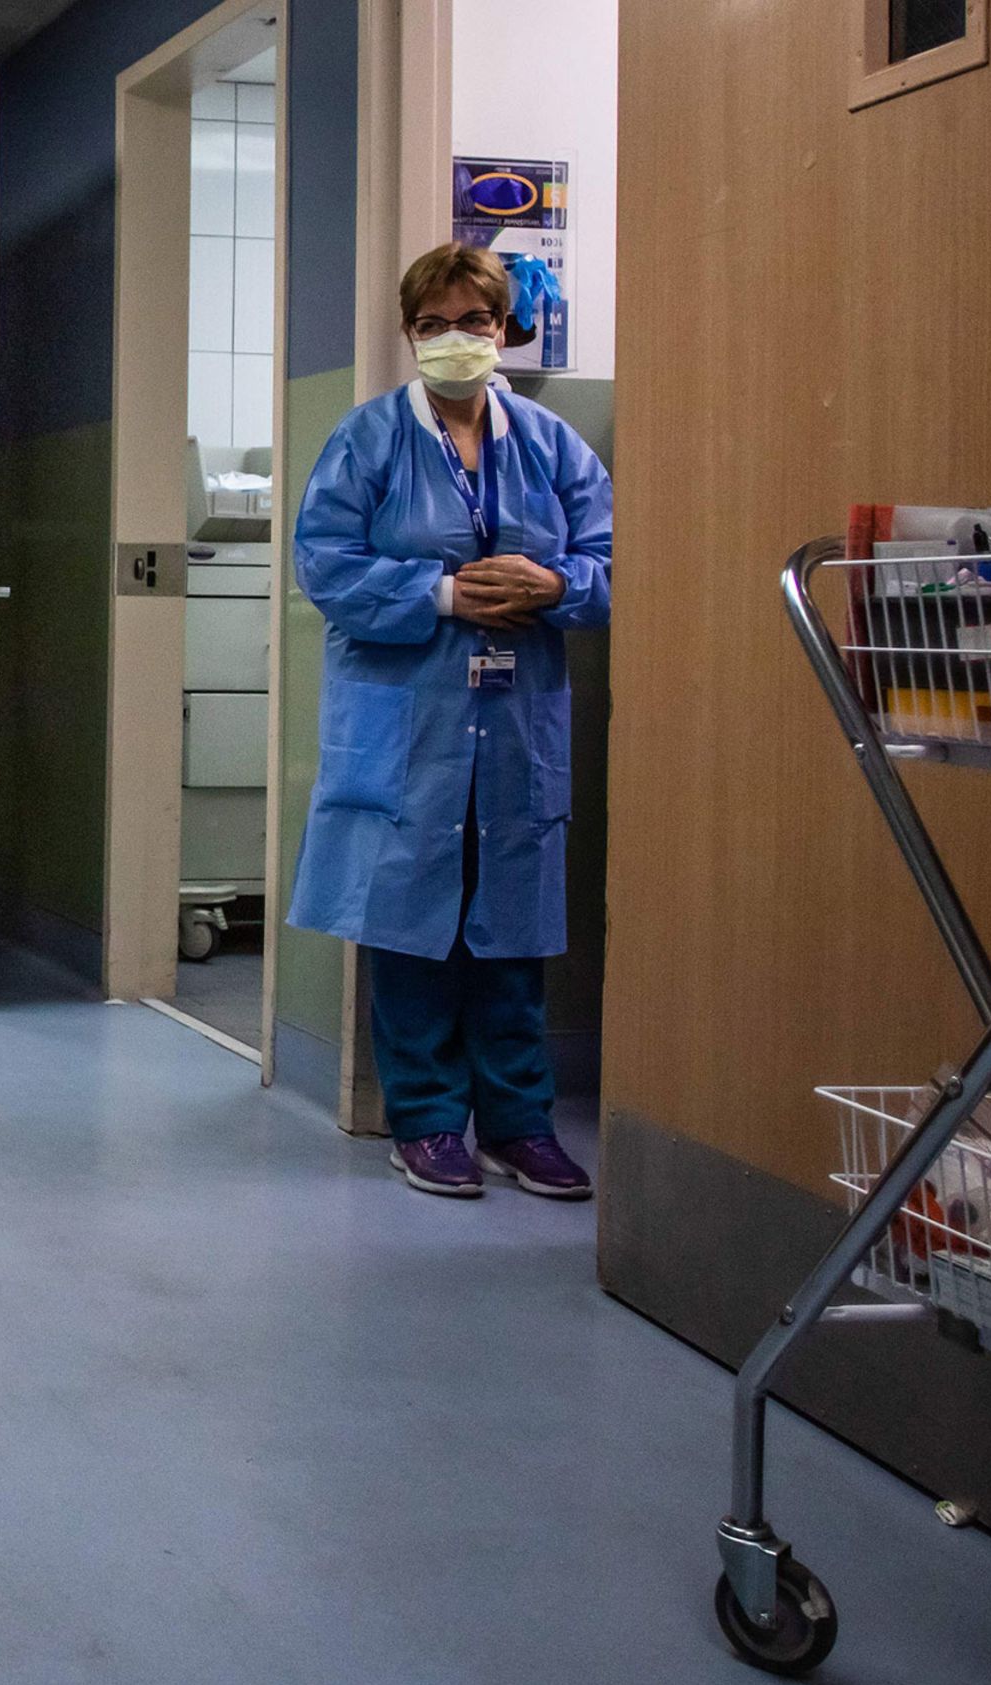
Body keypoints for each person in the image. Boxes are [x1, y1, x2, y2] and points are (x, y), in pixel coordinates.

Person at [286, 243, 613, 1201]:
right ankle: (426, 1120)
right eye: (434, 325)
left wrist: (555, 583)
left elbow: (613, 563)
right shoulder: (368, 441)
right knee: (412, 923)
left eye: (474, 322)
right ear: (409, 335)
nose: (456, 341)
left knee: (510, 930)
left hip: (517, 728)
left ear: (505, 331)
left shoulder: (554, 447)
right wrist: (439, 595)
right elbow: (327, 566)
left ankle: (521, 1123)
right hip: (405, 726)